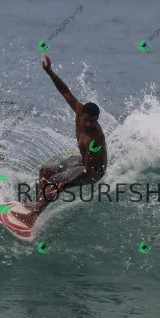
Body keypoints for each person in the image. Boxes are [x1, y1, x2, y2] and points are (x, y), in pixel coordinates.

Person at [11, 55, 107, 227]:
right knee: (45, 171)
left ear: (97, 119)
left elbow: (87, 169)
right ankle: (37, 206)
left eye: (92, 121)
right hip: (82, 161)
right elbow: (65, 91)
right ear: (81, 114)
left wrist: (67, 183)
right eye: (86, 119)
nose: (88, 124)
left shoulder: (96, 139)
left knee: (55, 181)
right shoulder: (79, 110)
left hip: (93, 171)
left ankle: (32, 217)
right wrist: (49, 71)